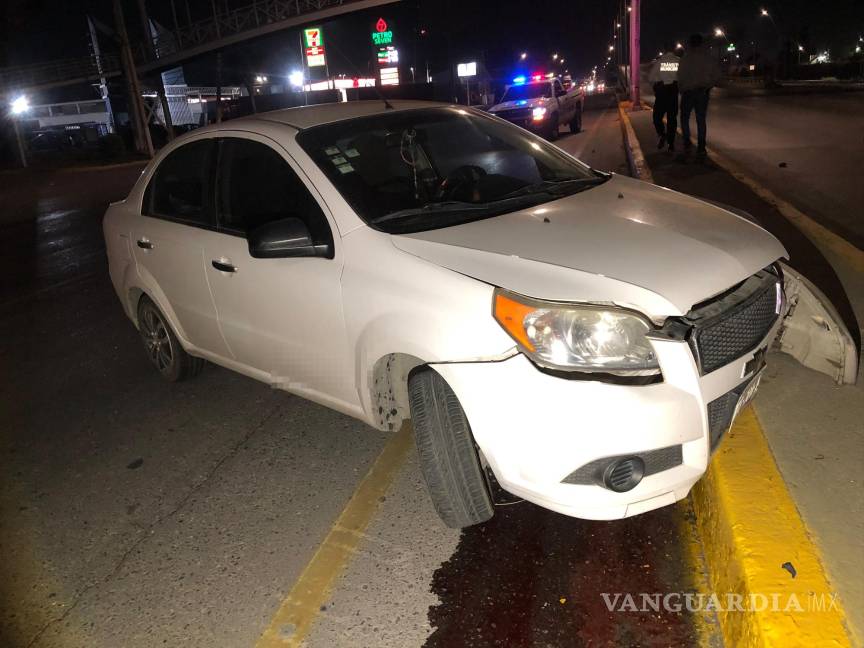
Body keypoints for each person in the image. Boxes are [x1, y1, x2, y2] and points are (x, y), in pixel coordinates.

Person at [677, 33, 721, 160]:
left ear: (690, 44)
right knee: (701, 120)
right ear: (702, 43)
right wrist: (708, 86)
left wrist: (682, 90)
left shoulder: (685, 59)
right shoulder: (709, 58)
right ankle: (701, 148)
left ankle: (687, 144)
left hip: (688, 92)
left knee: (684, 119)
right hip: (702, 92)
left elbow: (680, 77)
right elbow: (717, 75)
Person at [648, 44, 680, 152]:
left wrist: (659, 79)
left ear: (665, 50)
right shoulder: (678, 61)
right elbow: (682, 77)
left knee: (657, 117)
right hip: (673, 93)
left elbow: (651, 77)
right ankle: (671, 144)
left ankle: (662, 134)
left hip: (662, 93)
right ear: (674, 50)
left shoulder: (660, 62)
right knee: (672, 120)